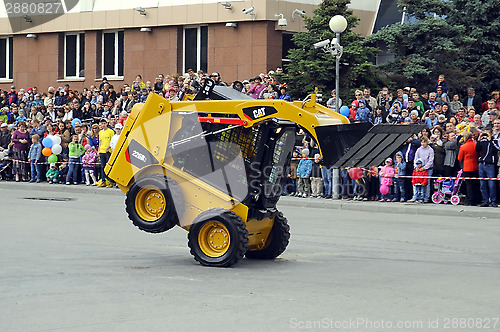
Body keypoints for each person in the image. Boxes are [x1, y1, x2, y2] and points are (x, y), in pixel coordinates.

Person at [475, 131, 498, 207]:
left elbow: (497, 148)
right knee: (482, 184)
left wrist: (490, 140)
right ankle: (485, 200)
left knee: (491, 184)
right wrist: (479, 139)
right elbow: (477, 149)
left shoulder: (494, 141)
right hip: (482, 164)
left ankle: (493, 200)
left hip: (490, 165)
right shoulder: (482, 141)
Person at [457, 131, 480, 206]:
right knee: (475, 184)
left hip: (467, 167)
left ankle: (470, 200)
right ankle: (476, 199)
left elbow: (460, 158)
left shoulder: (463, 146)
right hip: (475, 166)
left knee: (469, 185)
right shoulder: (475, 145)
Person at [414, 137, 434, 202]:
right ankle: (417, 196)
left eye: (424, 142)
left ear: (427, 142)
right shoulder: (418, 150)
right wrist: (416, 167)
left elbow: (431, 161)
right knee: (417, 183)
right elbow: (416, 159)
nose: (423, 143)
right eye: (422, 142)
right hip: (419, 169)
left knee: (427, 184)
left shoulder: (430, 150)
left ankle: (426, 197)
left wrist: (424, 167)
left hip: (428, 169)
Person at [97, 118, 115, 188]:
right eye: (102, 123)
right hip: (102, 151)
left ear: (107, 123)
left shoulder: (110, 131)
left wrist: (109, 147)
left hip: (108, 151)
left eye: (104, 123)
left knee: (108, 166)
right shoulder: (100, 132)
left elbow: (112, 141)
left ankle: (110, 181)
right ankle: (103, 180)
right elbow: (100, 142)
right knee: (102, 167)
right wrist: (99, 150)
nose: (103, 125)